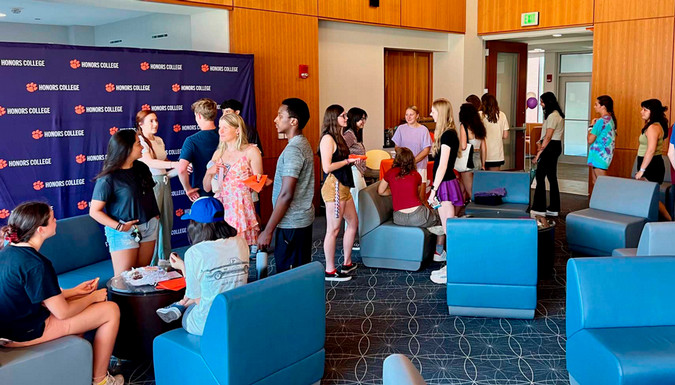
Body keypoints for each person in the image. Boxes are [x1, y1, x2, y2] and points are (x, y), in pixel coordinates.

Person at [0, 202, 123, 385]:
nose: (56, 220)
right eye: (52, 218)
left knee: (80, 300)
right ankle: (101, 380)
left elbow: (36, 295)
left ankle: (83, 366)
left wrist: (76, 292)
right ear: (41, 229)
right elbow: (62, 313)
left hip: (10, 327)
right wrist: (92, 297)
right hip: (24, 333)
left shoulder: (8, 252)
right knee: (110, 310)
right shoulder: (36, 264)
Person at [155, 197, 249, 336]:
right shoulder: (241, 242)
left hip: (209, 323)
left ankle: (181, 305)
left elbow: (197, 298)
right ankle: (179, 304)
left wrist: (182, 267)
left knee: (191, 306)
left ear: (196, 225)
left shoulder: (195, 253)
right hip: (236, 315)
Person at [90, 130, 160, 277]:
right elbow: (94, 211)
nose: (142, 147)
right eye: (138, 143)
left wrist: (155, 216)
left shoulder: (142, 167)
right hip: (124, 231)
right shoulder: (108, 177)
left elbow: (149, 193)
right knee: (124, 279)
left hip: (149, 227)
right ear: (126, 148)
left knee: (142, 276)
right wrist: (120, 227)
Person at [257, 98, 315, 274]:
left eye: (280, 115)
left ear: (293, 121)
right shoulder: (301, 143)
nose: (275, 119)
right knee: (298, 271)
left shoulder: (293, 149)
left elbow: (287, 195)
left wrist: (268, 230)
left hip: (292, 223)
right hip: (299, 220)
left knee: (289, 274)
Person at [203, 113, 262, 246]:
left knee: (241, 250)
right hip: (221, 207)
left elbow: (259, 185)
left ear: (237, 130)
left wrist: (244, 183)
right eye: (219, 127)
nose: (220, 131)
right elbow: (207, 188)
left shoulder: (251, 151)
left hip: (241, 208)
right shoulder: (218, 153)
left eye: (225, 127)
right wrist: (209, 172)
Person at [319, 104, 362, 282]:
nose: (346, 118)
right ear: (333, 118)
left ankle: (347, 261)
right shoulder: (328, 139)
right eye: (343, 116)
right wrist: (347, 162)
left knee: (353, 222)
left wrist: (349, 161)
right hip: (334, 186)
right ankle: (329, 270)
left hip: (343, 185)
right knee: (334, 229)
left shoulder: (340, 137)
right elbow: (327, 167)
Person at [428, 98, 465, 284]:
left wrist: (433, 190)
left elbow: (442, 166)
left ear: (440, 112)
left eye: (433, 111)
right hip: (446, 183)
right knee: (448, 227)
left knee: (449, 229)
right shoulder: (447, 134)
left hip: (444, 184)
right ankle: (452, 265)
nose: (431, 114)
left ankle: (453, 268)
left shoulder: (448, 135)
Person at [136, 110, 179, 265]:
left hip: (164, 182)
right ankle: (151, 263)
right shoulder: (139, 140)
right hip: (150, 184)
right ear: (140, 124)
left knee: (167, 222)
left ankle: (165, 259)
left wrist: (181, 168)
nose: (155, 124)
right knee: (153, 225)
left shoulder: (159, 140)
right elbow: (150, 162)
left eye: (156, 120)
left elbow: (164, 163)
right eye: (151, 121)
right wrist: (174, 164)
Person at [378, 147, 441, 229]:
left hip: (398, 218)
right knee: (439, 217)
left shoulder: (390, 172)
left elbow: (381, 191)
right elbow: (418, 195)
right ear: (412, 160)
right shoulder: (416, 175)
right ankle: (439, 241)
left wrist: (394, 190)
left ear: (396, 158)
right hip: (418, 215)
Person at [635, 99, 672, 221]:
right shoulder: (653, 125)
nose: (642, 112)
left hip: (651, 165)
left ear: (653, 112)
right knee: (649, 196)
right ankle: (665, 220)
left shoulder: (653, 127)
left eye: (645, 110)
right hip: (649, 163)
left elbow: (650, 150)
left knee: (650, 196)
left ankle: (669, 220)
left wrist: (642, 170)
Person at [177, 98, 220, 201]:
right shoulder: (226, 135)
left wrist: (188, 189)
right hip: (227, 191)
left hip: (202, 194)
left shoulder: (191, 141)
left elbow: (182, 169)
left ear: (199, 116)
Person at [531, 92, 565, 217]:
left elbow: (548, 136)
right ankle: (554, 207)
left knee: (540, 176)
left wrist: (538, 155)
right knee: (551, 177)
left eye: (542, 101)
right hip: (555, 146)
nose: (540, 104)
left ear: (547, 102)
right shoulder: (557, 115)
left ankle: (539, 208)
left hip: (550, 147)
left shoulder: (552, 116)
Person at [392, 105, 433, 200]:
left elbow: (426, 150)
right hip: (403, 167)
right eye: (406, 115)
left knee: (421, 196)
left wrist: (412, 161)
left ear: (417, 116)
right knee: (406, 195)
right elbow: (397, 146)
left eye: (411, 114)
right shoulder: (401, 129)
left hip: (419, 167)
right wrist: (404, 158)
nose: (408, 117)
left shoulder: (423, 130)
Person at [343, 107, 368, 250]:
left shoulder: (355, 134)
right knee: (355, 207)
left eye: (364, 118)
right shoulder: (349, 134)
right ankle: (351, 239)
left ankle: (354, 237)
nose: (363, 121)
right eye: (361, 119)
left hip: (358, 172)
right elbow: (339, 151)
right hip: (353, 172)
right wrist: (352, 159)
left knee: (359, 205)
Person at [587, 95, 617, 193]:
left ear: (603, 106)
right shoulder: (610, 120)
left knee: (603, 184)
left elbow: (590, 139)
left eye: (596, 104)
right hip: (601, 155)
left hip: (599, 156)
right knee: (595, 182)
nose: (594, 107)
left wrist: (591, 126)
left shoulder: (601, 121)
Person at [458, 103, 487, 201]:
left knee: (471, 192)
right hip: (478, 159)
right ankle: (457, 213)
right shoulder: (479, 126)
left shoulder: (464, 126)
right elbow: (484, 147)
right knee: (462, 188)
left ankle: (477, 213)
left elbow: (463, 146)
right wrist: (483, 164)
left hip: (467, 160)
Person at [480, 93, 509, 171]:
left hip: (483, 154)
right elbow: (505, 135)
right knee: (494, 180)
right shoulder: (502, 115)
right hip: (497, 154)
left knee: (482, 180)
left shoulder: (480, 115)